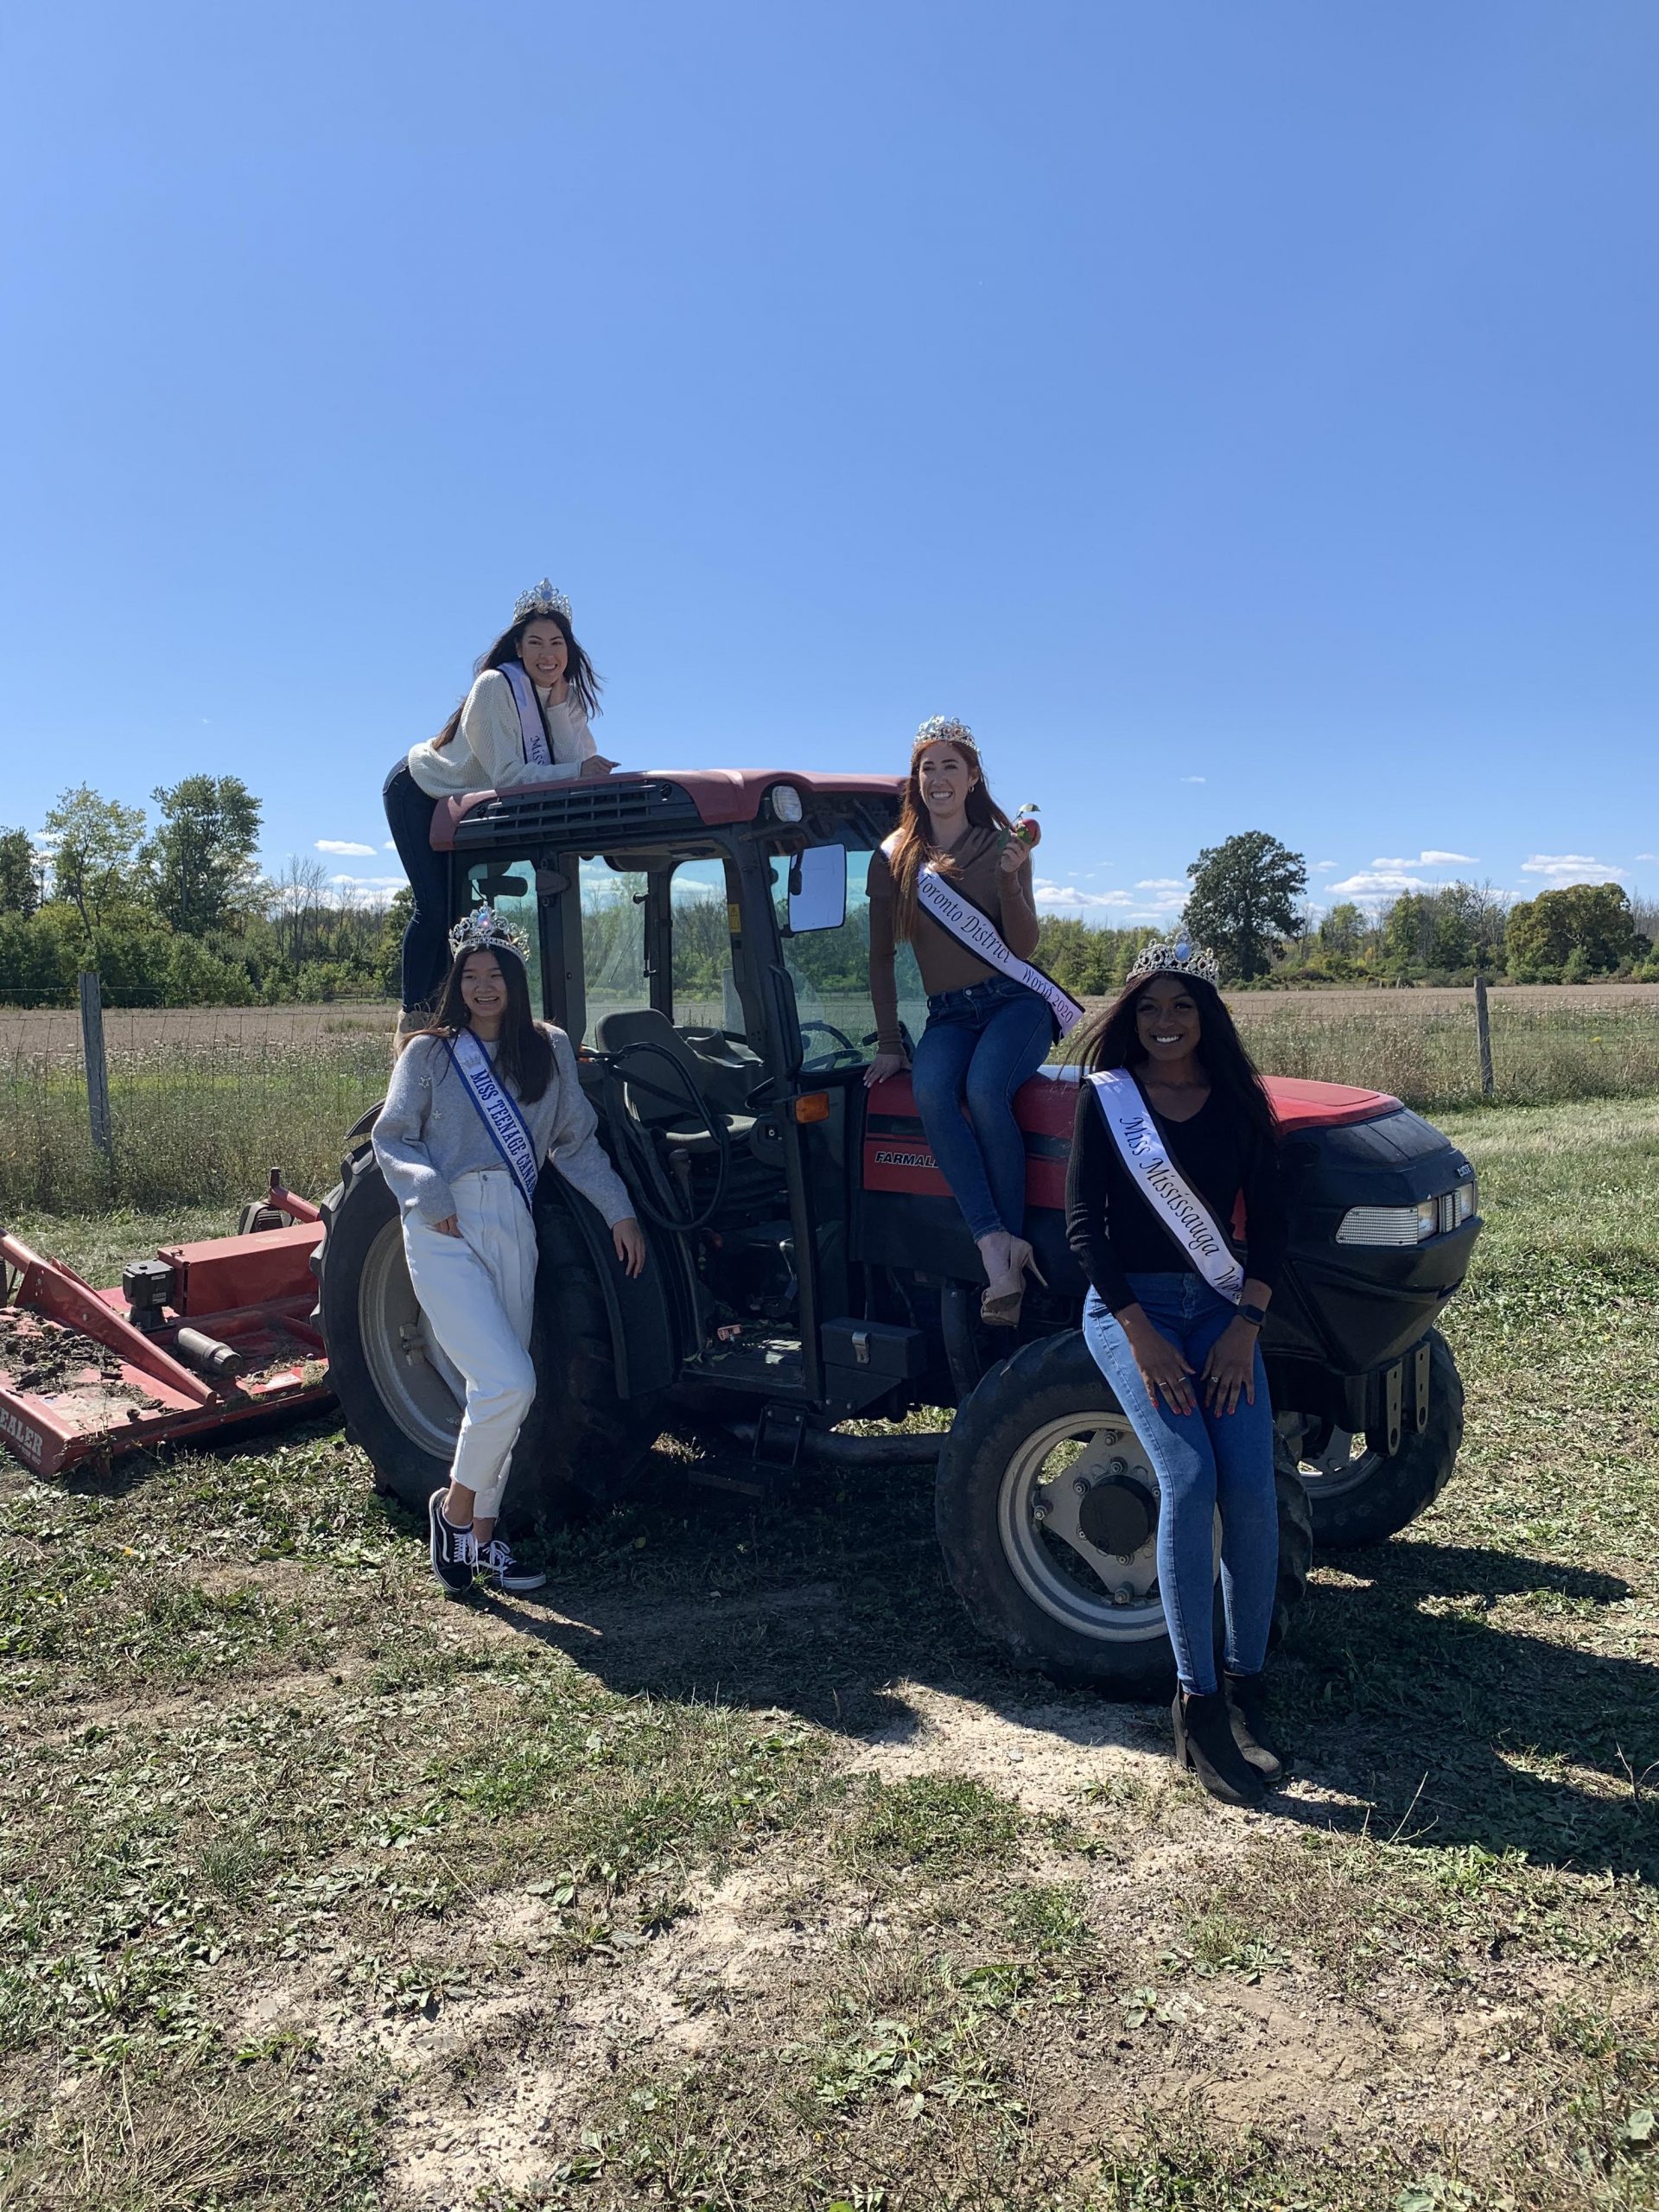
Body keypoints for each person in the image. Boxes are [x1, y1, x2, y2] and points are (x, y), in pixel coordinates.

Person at [1065, 935, 1288, 1807]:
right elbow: (1085, 1228)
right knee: (1191, 1478)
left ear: (1206, 1016)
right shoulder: (1108, 1100)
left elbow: (1272, 1226)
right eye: (1150, 1007)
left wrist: (1245, 1328)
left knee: (1254, 1488)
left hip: (1224, 1315)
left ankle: (1246, 1686)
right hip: (1133, 1312)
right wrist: (1141, 1334)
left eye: (1182, 1006)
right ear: (1132, 1017)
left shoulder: (1238, 1103)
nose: (1165, 1022)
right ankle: (1196, 1707)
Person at [372, 904, 646, 1599]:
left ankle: (483, 1540)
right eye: (471, 975)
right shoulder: (429, 1054)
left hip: (513, 1222)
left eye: (495, 974)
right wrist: (429, 1195)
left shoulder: (546, 1048)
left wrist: (619, 1211)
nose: (483, 987)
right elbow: (393, 1136)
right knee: (510, 1382)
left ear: (515, 981)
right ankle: (453, 1513)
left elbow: (575, 1144)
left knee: (495, 1395)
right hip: (443, 1227)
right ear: (457, 983)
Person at [866, 717, 1082, 1325]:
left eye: (950, 766)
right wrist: (889, 1042)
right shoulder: (893, 858)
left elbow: (1024, 947)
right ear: (916, 779)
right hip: (950, 1014)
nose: (938, 778)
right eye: (927, 767)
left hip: (1015, 1003)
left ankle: (1003, 1265)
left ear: (972, 777)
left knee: (987, 1089)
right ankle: (994, 1240)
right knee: (932, 1090)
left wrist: (1011, 880)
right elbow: (880, 958)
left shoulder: (1000, 845)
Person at [384, 581, 618, 1027]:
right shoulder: (495, 686)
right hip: (422, 788)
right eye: (536, 643)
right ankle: (415, 1021)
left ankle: (459, 1019)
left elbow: (576, 772)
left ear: (569, 649)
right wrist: (577, 770)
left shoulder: (566, 699)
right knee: (435, 906)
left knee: (464, 917)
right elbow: (509, 777)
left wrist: (558, 711)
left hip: (469, 804)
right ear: (518, 647)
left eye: (557, 642)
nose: (547, 654)